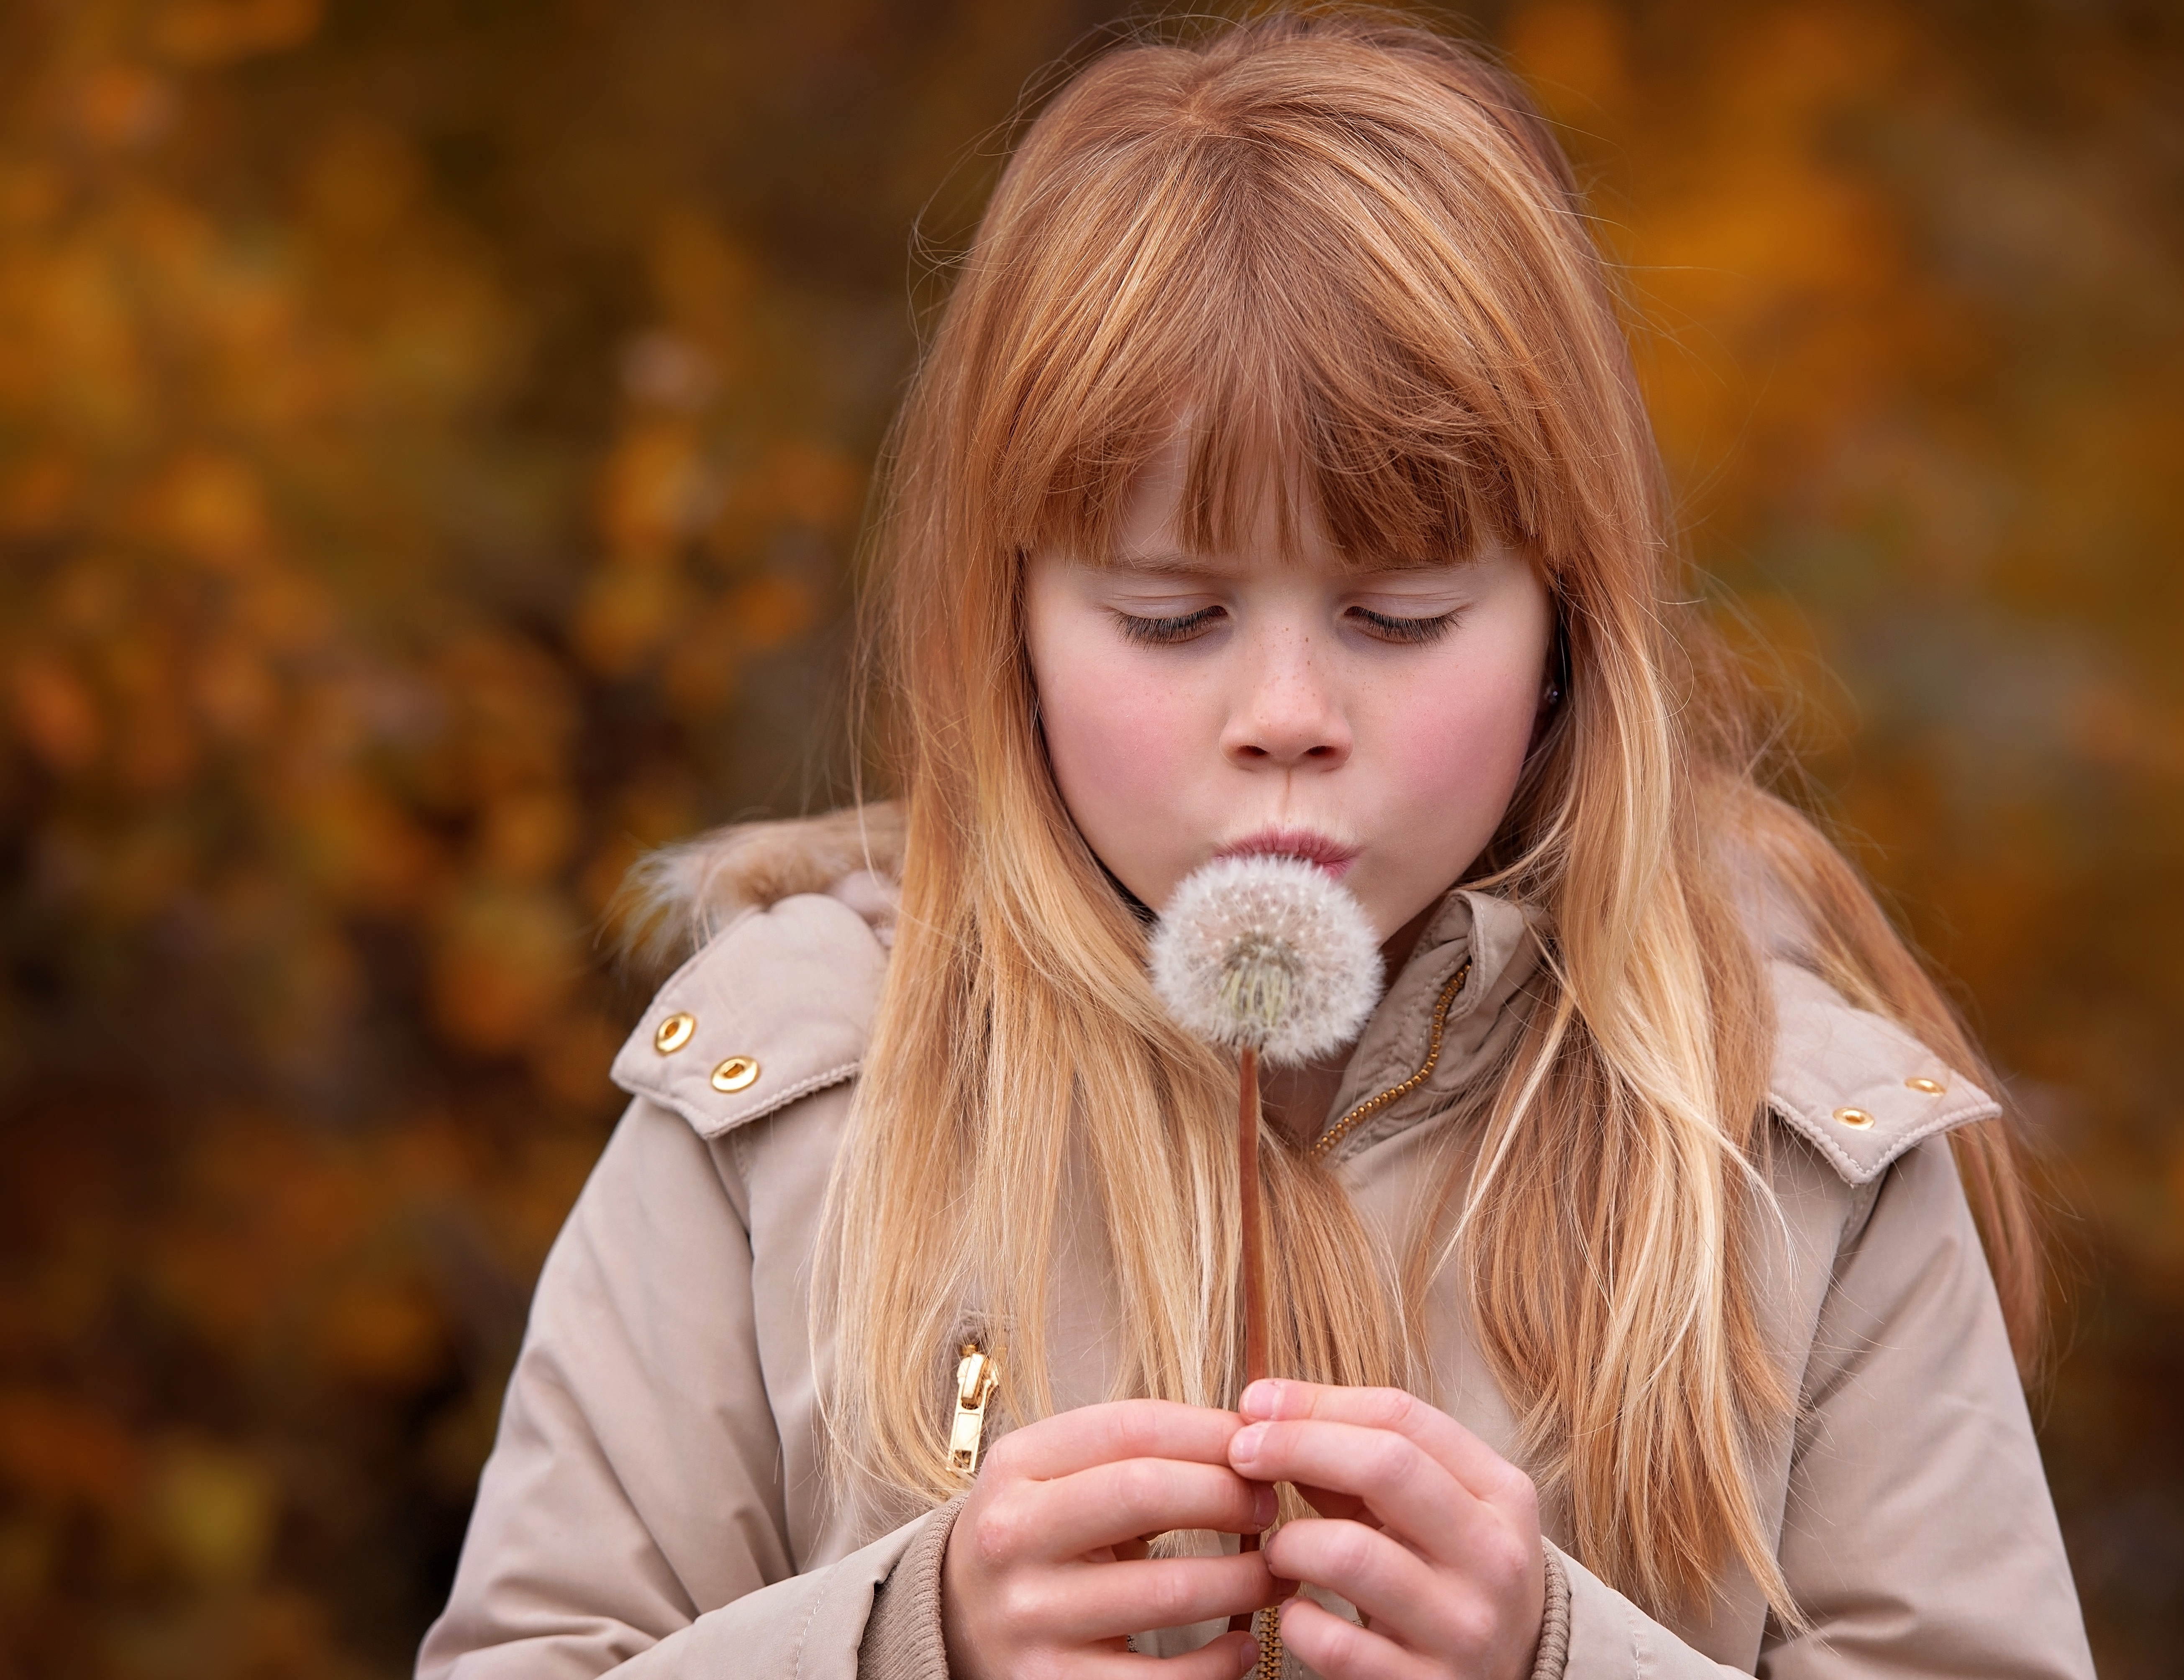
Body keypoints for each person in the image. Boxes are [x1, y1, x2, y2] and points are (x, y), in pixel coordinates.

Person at [417, 12, 2094, 1680]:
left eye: (1397, 613)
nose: (1285, 709)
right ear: (1004, 623)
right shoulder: (782, 1124)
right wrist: (900, 1643)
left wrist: (1562, 1662)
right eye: (1169, 616)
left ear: (1565, 623)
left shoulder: (1792, 1165)